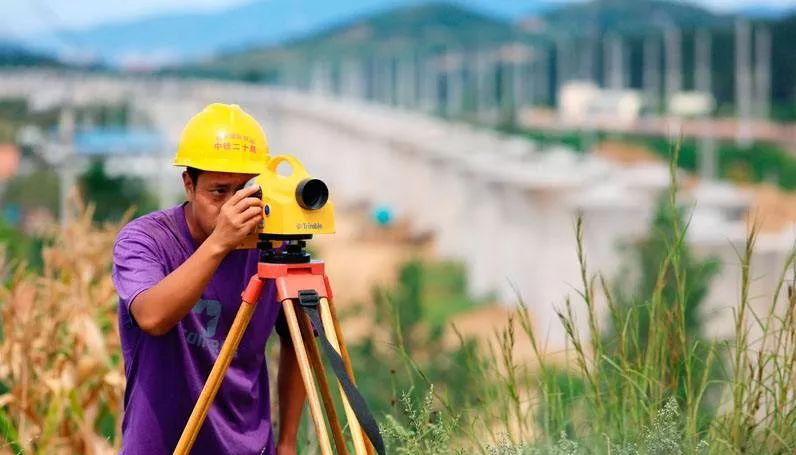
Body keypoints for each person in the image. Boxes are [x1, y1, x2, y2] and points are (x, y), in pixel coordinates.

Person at [111, 103, 305, 454]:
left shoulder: (273, 244)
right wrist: (220, 242)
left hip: (246, 445)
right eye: (219, 192)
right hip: (162, 445)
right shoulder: (145, 240)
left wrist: (288, 442)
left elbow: (298, 343)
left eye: (244, 190)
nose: (233, 205)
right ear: (188, 184)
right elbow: (152, 317)